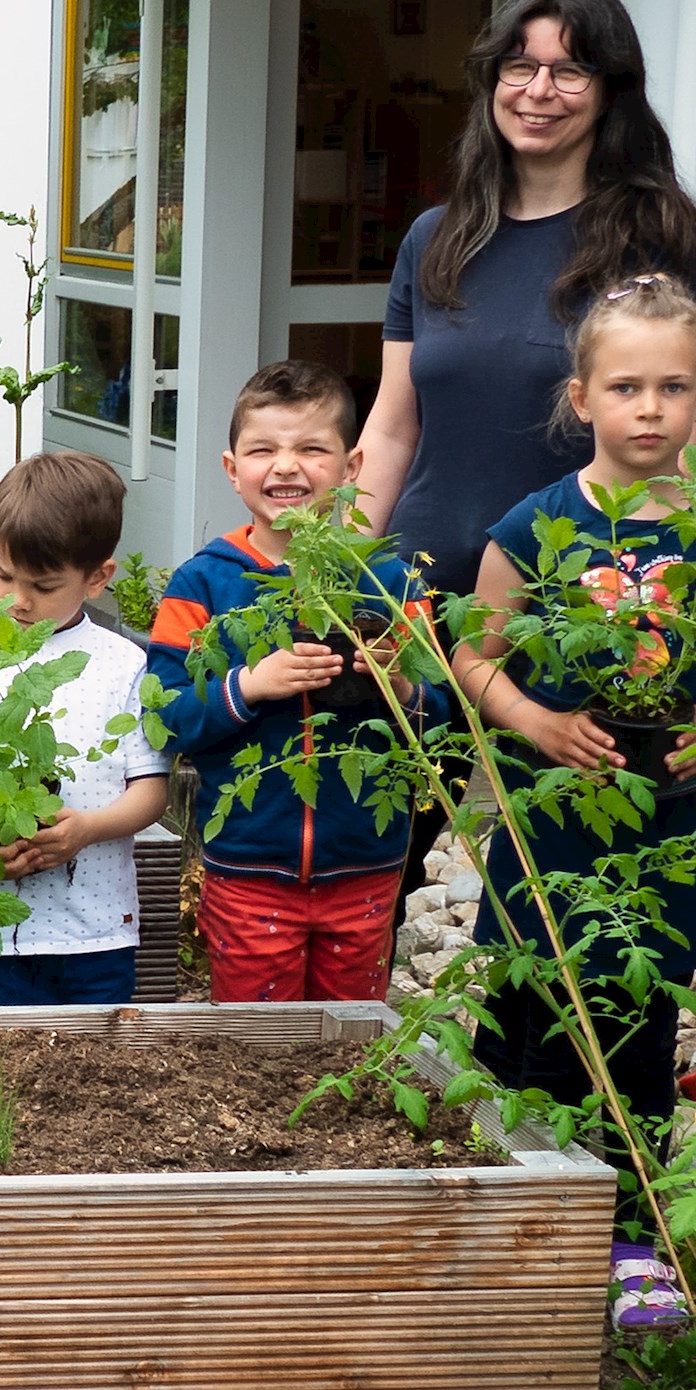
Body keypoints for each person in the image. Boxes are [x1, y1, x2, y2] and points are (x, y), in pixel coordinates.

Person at [452, 275, 696, 1324]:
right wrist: (539, 725)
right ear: (581, 397)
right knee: (523, 1005)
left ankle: (628, 1233)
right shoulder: (536, 526)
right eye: (626, 386)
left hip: (671, 828)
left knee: (636, 1019)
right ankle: (500, 1209)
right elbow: (470, 656)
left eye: (672, 386)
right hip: (555, 821)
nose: (649, 409)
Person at [355, 0, 696, 594]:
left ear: (611, 91)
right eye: (520, 66)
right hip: (420, 597)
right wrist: (336, 567)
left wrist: (651, 597)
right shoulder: (435, 238)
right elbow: (394, 429)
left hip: (580, 601)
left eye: (569, 71)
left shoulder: (661, 242)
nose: (538, 91)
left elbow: (681, 438)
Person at [146, 361, 431, 1004]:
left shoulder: (389, 582)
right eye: (263, 450)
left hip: (367, 865)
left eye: (311, 449)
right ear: (231, 467)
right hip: (249, 867)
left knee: (350, 1034)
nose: (286, 467)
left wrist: (404, 686)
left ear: (352, 466)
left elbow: (445, 723)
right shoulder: (203, 584)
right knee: (256, 1043)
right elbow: (164, 719)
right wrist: (248, 685)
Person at [0, 451, 171, 1008]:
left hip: (96, 929)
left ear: (97, 578)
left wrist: (84, 828)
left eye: (42, 585)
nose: (18, 600)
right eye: (2, 575)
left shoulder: (124, 664)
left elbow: (152, 790)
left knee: (97, 1071)